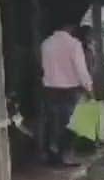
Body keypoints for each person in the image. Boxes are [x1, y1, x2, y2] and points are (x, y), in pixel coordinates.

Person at [40, 23, 94, 167]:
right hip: (70, 89)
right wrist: (89, 89)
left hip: (50, 88)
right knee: (70, 124)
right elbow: (81, 70)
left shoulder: (46, 43)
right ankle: (65, 156)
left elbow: (43, 67)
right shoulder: (74, 45)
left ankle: (52, 154)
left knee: (53, 122)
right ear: (69, 28)